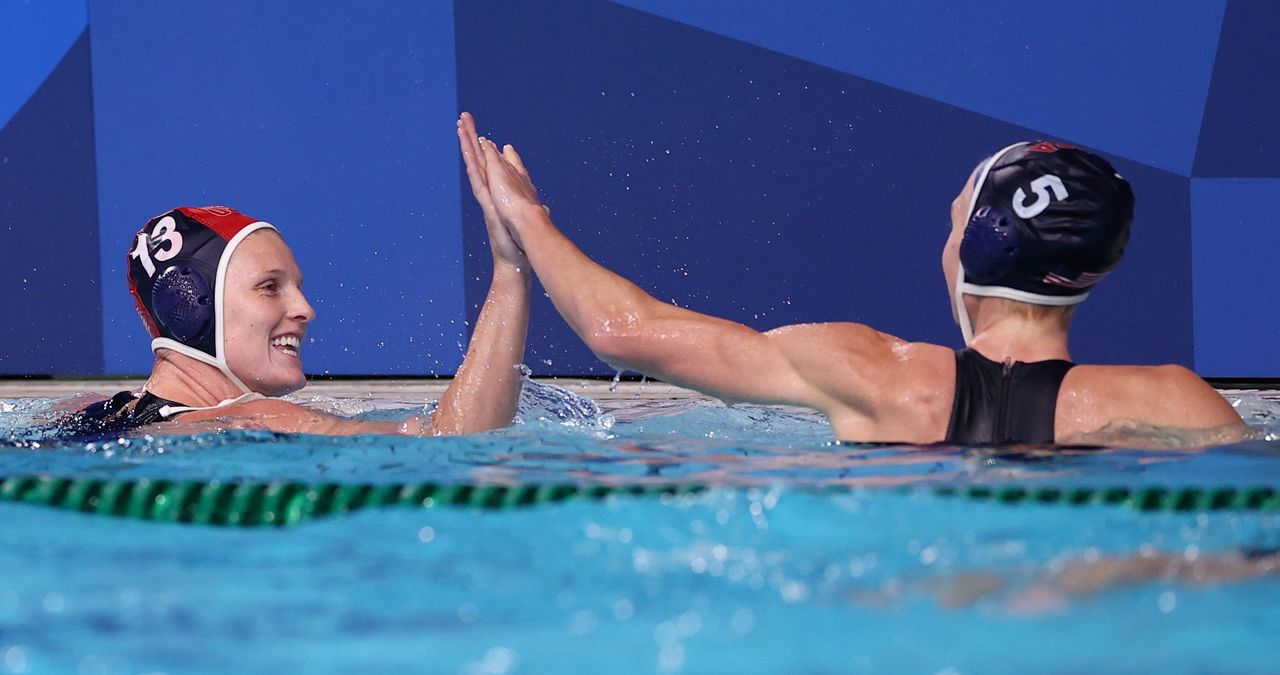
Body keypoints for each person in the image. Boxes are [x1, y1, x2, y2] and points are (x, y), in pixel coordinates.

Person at [458, 113, 1244, 445]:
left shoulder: (869, 374)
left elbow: (621, 332)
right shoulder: (1178, 402)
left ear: (974, 248)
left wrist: (527, 223)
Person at [65, 166, 531, 437]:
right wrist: (512, 270)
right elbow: (455, 437)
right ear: (191, 307)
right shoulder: (256, 419)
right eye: (270, 287)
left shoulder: (96, 410)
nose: (306, 310)